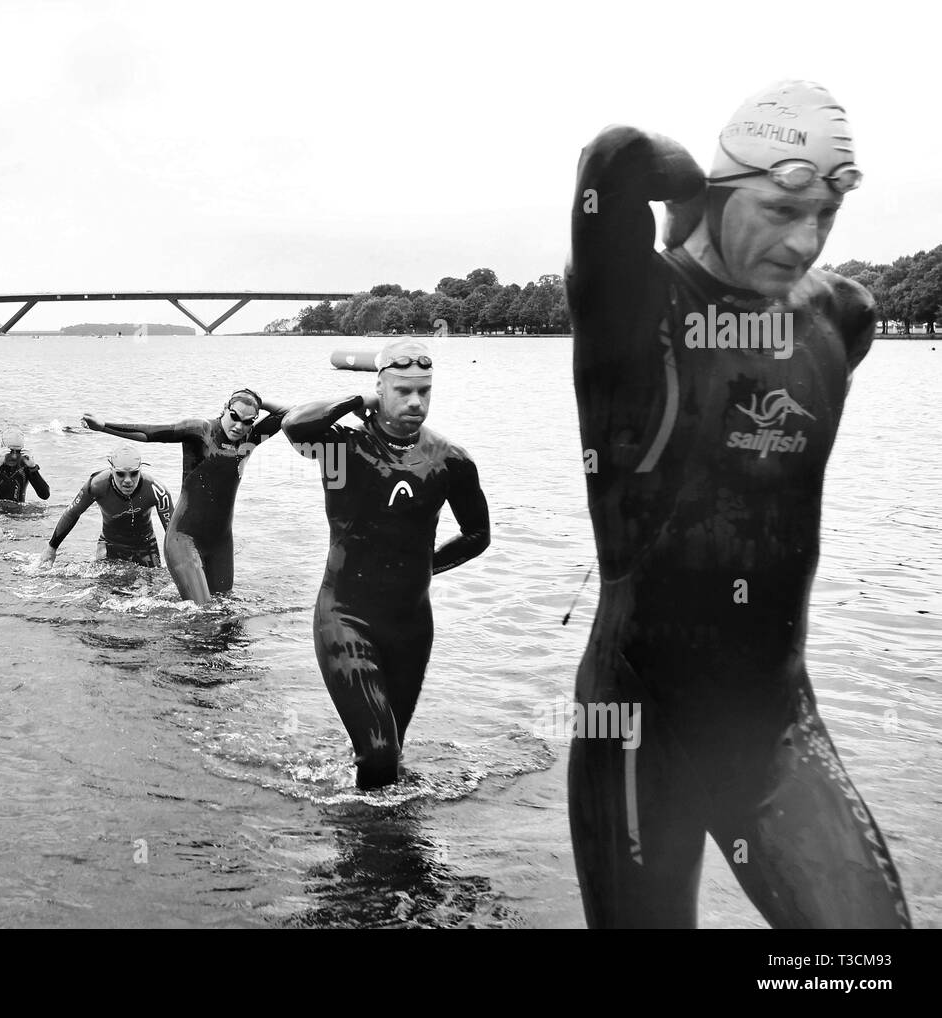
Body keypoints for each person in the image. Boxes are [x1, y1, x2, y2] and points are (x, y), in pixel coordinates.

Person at [564, 80, 910, 928]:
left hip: (774, 726)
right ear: (721, 190)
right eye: (784, 206)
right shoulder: (634, 308)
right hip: (637, 720)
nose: (807, 240)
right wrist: (688, 192)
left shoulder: (841, 315)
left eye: (827, 213)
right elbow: (614, 158)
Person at [282, 339, 490, 789]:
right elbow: (295, 424)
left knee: (391, 752)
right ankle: (370, 846)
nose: (416, 402)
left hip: (411, 625)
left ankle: (380, 837)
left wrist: (419, 568)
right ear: (380, 390)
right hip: (345, 615)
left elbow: (478, 536)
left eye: (425, 391)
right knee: (379, 752)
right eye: (402, 391)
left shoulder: (450, 460)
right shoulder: (341, 448)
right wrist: (360, 401)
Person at [82, 388, 288, 604]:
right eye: (235, 416)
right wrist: (104, 427)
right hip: (184, 539)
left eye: (248, 421)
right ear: (225, 409)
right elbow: (151, 433)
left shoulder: (250, 438)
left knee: (225, 610)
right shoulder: (200, 430)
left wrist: (256, 402)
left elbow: (285, 413)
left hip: (221, 543)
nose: (239, 426)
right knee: (204, 612)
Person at [39, 444, 174, 567]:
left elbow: (175, 534)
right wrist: (51, 548)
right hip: (109, 544)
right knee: (105, 591)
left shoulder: (157, 491)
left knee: (153, 589)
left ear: (140, 470)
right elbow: (72, 513)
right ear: (112, 470)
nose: (128, 481)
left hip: (146, 547)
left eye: (134, 474)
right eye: (120, 474)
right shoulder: (97, 485)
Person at [0, 427, 50, 503]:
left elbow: (45, 495)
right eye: (10, 451)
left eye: (18, 451)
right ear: (2, 447)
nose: (14, 456)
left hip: (17, 513)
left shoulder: (26, 463)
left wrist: (33, 468)